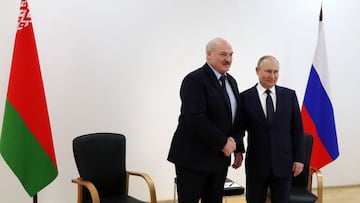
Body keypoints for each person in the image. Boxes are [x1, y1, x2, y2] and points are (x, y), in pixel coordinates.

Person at [167, 37, 245, 203]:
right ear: (208, 54)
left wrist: (238, 146)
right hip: (193, 158)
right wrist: (223, 142)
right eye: (223, 54)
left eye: (231, 54)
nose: (228, 59)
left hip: (219, 160)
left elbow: (237, 119)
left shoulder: (232, 82)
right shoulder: (194, 80)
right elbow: (195, 118)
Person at [234, 55, 305, 203]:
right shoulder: (245, 97)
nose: (272, 76)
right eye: (268, 71)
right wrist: (238, 150)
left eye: (276, 72)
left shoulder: (289, 96)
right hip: (257, 166)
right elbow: (239, 128)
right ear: (257, 71)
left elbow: (297, 130)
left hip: (284, 164)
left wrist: (299, 159)